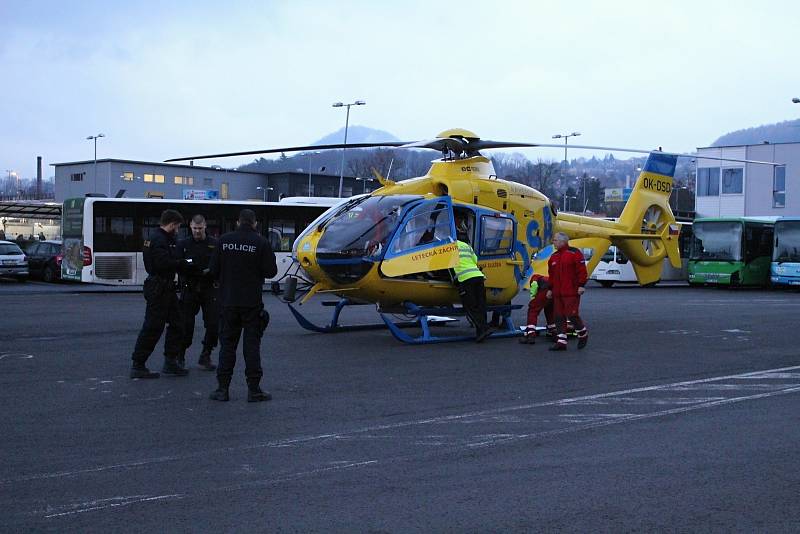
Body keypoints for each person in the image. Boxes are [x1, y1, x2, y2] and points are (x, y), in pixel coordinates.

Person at [208, 209, 277, 402]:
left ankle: (222, 389)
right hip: (251, 303)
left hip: (228, 301)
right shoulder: (261, 242)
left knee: (227, 346)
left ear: (238, 222)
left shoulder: (223, 240)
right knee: (251, 346)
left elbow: (213, 270)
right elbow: (271, 271)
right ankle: (254, 389)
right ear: (254, 223)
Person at [130, 209, 190, 378]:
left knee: (177, 323)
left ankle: (170, 361)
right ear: (171, 224)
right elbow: (162, 263)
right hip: (160, 288)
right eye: (177, 227)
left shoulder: (154, 237)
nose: (178, 231)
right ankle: (138, 364)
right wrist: (181, 264)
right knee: (153, 326)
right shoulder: (160, 240)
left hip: (164, 288)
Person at [176, 214, 218, 371]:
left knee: (214, 324)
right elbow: (179, 264)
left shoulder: (214, 243)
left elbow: (218, 265)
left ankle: (206, 353)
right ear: (190, 227)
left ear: (205, 226)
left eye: (200, 228)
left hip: (209, 288)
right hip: (190, 287)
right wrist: (191, 268)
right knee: (186, 325)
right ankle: (180, 356)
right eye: (194, 228)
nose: (197, 231)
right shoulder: (183, 244)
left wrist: (209, 271)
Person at [546, 232, 589, 351]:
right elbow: (551, 275)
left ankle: (583, 334)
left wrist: (581, 285)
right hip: (558, 293)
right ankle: (561, 342)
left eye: (555, 240)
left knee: (572, 315)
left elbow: (582, 271)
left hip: (571, 291)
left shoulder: (574, 253)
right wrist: (550, 289)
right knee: (558, 317)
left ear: (562, 241)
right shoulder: (553, 257)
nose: (553, 242)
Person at [453, 215, 491, 343]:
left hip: (465, 279)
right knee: (481, 305)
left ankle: (483, 329)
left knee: (470, 306)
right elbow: (476, 260)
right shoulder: (466, 246)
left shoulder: (449, 246)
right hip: (478, 277)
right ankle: (482, 330)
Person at [519, 273, 556, 344]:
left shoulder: (534, 277)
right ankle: (554, 333)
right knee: (549, 311)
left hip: (545, 290)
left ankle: (531, 335)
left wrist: (533, 297)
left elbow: (534, 286)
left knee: (533, 309)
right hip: (554, 291)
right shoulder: (545, 278)